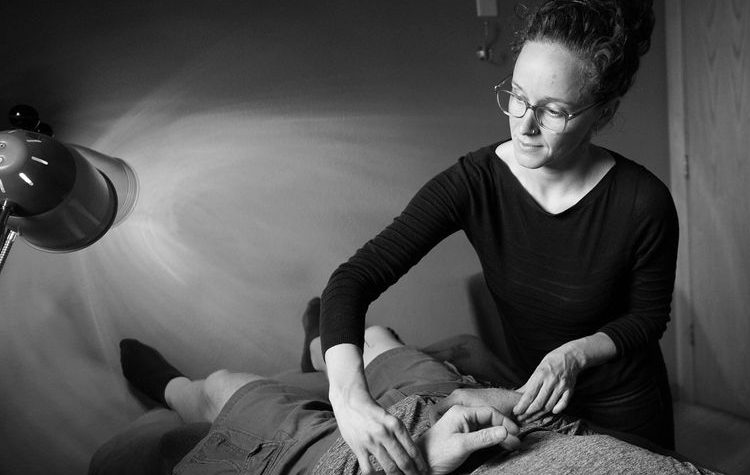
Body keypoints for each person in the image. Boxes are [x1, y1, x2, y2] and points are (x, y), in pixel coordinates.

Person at [319, 1, 678, 473]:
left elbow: (649, 317)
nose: (524, 124)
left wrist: (574, 354)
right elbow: (353, 279)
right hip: (536, 408)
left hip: (630, 412)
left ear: (603, 113)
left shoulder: (643, 200)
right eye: (517, 96)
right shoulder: (475, 181)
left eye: (553, 111)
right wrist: (348, 400)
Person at [108, 322, 717, 474]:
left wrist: (418, 458)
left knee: (220, 387)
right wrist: (520, 398)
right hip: (453, 401)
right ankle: (322, 343)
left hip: (350, 460)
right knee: (375, 337)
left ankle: (168, 383)